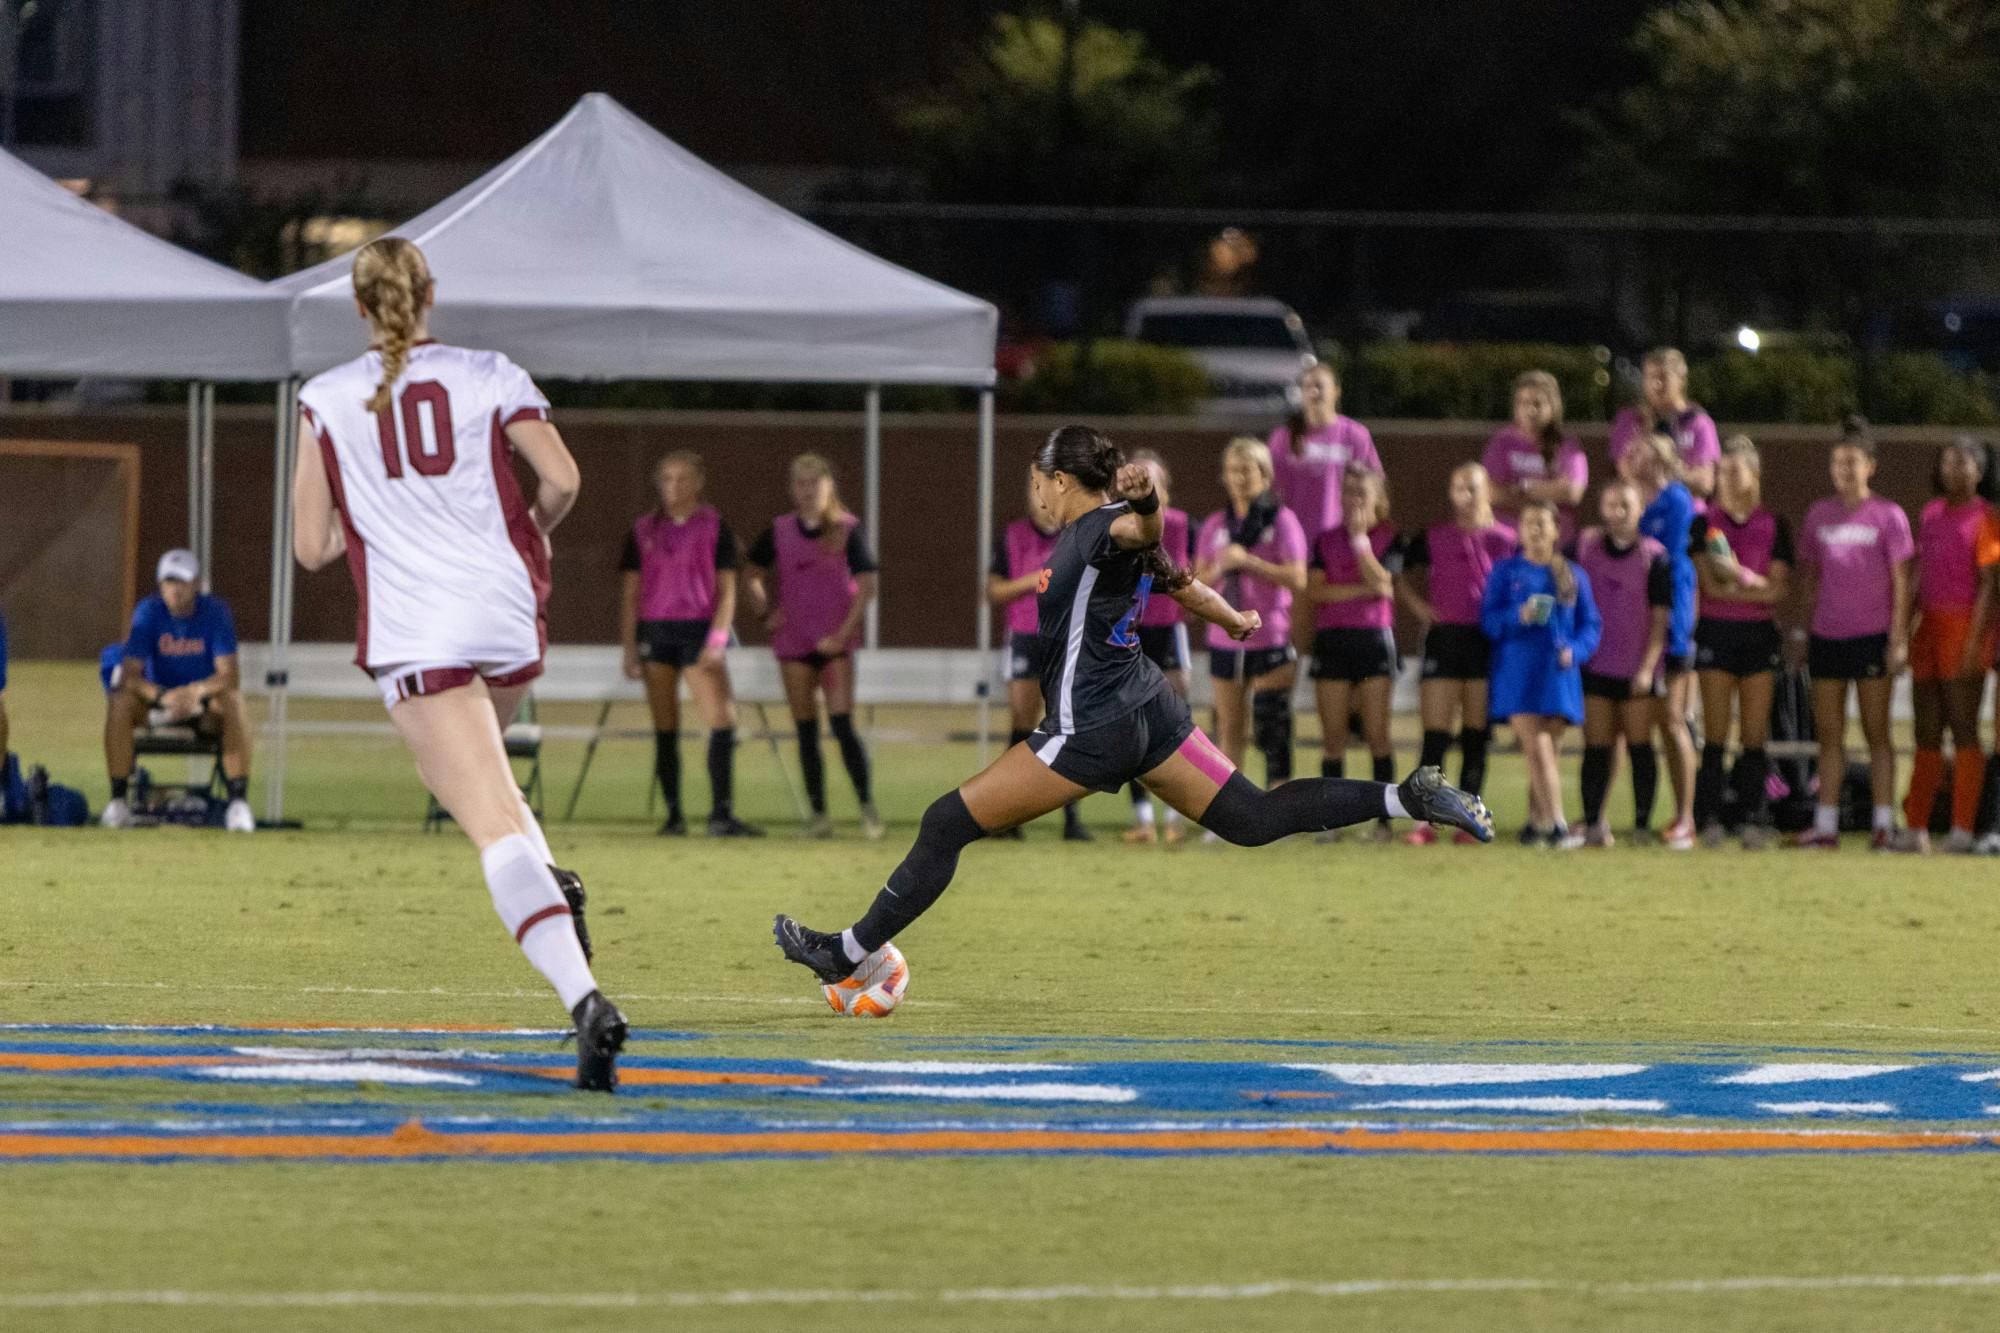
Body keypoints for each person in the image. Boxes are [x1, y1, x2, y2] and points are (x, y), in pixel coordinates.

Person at [773, 426, 1491, 991]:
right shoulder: (1100, 531)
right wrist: (1231, 617)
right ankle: (1408, 795)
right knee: (1252, 818)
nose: (1037, 494)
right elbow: (1176, 579)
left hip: (1093, 724)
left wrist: (1148, 502)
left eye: (1038, 481)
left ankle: (847, 952)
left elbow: (1143, 533)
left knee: (944, 822)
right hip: (1149, 706)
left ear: (1059, 480)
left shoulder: (1102, 526)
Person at [289, 236, 625, 1091]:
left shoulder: (326, 397)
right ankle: (553, 884)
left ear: (360, 308)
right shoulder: (489, 371)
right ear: (429, 293)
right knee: (494, 786)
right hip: (506, 608)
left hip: (417, 623)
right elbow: (562, 479)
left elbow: (311, 548)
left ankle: (584, 997)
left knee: (483, 819)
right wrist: (522, 535)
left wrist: (377, 520)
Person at [618, 450, 760, 838]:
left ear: (698, 482)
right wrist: (629, 647)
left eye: (681, 478)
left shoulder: (716, 527)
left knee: (721, 719)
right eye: (665, 478)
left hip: (698, 631)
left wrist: (717, 640)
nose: (672, 486)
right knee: (665, 724)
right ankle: (674, 816)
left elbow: (727, 592)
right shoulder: (644, 529)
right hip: (656, 632)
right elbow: (630, 593)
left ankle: (721, 814)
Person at [742, 454, 883, 839]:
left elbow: (867, 585)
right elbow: (752, 573)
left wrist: (843, 633)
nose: (806, 493)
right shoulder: (780, 530)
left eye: (813, 484)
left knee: (842, 725)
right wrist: (765, 612)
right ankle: (819, 815)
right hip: (794, 641)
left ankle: (867, 807)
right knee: (806, 730)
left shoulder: (847, 530)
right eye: (800, 485)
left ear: (828, 487)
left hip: (835, 643)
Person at [1794, 430, 1914, 849]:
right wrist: (1801, 631)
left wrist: (1898, 639)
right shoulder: (1818, 515)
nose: (1844, 470)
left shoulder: (1888, 515)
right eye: (1837, 463)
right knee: (1829, 735)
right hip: (1827, 637)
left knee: (1877, 732)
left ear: (1870, 466)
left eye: (1852, 462)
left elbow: (1902, 582)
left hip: (1872, 637)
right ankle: (1826, 826)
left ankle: (1884, 824)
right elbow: (1809, 578)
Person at [1399, 462, 1515, 845]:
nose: (1464, 497)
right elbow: (1395, 571)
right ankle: (1424, 819)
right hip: (1444, 638)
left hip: (1485, 639)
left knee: (1475, 733)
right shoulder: (1433, 536)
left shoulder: (1506, 539)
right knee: (1435, 734)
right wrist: (1418, 608)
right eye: (1457, 488)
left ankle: (1469, 817)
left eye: (1472, 488)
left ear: (1489, 492)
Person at [100, 549, 255, 834]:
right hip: (159, 705)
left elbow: (229, 676)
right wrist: (162, 697)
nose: (176, 590)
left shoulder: (215, 613)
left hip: (203, 706)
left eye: (182, 582)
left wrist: (195, 693)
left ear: (196, 584)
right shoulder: (148, 613)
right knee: (120, 702)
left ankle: (237, 802)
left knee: (234, 701)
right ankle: (118, 800)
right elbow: (131, 675)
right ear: (160, 586)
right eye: (169, 582)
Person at [1691, 436, 1792, 849]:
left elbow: (1778, 591)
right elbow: (1711, 588)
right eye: (1722, 471)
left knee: (1754, 735)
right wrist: (1755, 587)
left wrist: (1742, 577)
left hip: (1758, 637)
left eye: (1735, 471)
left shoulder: (1774, 524)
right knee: (1715, 733)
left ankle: (1754, 819)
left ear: (1754, 474)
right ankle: (1708, 819)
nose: (1726, 479)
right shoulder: (1704, 523)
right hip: (1717, 632)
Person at [1269, 362, 1382, 726]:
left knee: (1341, 635)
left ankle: (1350, 721)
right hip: (1298, 555)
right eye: (1308, 386)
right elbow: (1268, 495)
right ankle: (1280, 713)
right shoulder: (1285, 438)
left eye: (1321, 386)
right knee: (1294, 639)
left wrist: (1364, 535)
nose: (1314, 392)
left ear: (1336, 392)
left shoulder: (1353, 435)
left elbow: (1374, 491)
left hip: (1341, 552)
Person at [1484, 500, 1602, 846]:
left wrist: (1575, 650)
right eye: (1529, 523)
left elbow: (1591, 625)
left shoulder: (1572, 574)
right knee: (1538, 745)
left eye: (1542, 524)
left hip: (1557, 673)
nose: (1535, 530)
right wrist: (1517, 616)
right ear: (1519, 531)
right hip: (1518, 673)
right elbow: (1489, 621)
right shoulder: (1506, 572)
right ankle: (1558, 825)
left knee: (1548, 749)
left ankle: (1535, 823)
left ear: (1556, 530)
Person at [1196, 437, 1309, 795]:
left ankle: (1281, 805)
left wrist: (1250, 562)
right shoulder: (1216, 524)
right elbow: (1197, 581)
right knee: (1229, 728)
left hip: (1269, 633)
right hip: (1224, 638)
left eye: (1247, 470)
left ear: (1265, 475)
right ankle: (1231, 807)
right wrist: (1219, 566)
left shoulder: (1283, 520)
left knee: (1272, 725)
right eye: (1232, 470)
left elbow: (1297, 577)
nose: (1239, 478)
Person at [1899, 438, 1993, 853]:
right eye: (1948, 463)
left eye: (1963, 463)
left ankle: (1961, 828)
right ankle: (1916, 826)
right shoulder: (1931, 513)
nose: (1953, 470)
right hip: (1929, 629)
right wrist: (1906, 627)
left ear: (1980, 471)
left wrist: (1975, 642)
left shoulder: (1986, 517)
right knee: (1926, 729)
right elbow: (1920, 574)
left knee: (1964, 727)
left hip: (1964, 626)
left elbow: (1989, 584)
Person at [988, 468, 1091, 842]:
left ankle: (1071, 818)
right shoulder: (1012, 536)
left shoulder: (1076, 535)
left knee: (1064, 727)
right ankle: (1006, 815)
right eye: (1034, 490)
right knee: (1022, 727)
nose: (1040, 497)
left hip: (1065, 640)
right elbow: (993, 591)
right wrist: (1033, 580)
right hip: (1026, 637)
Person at [1305, 466, 1404, 842]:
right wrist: (1361, 589)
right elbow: (1316, 592)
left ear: (1378, 497)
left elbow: (1384, 585)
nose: (1353, 500)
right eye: (1347, 492)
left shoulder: (1390, 537)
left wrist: (1361, 542)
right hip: (1332, 642)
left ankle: (1384, 821)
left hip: (1374, 641)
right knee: (1333, 738)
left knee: (1378, 735)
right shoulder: (1326, 540)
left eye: (1361, 493)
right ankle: (1331, 821)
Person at [1572, 481, 1672, 849]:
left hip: (1635, 669)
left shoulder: (1655, 556)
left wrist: (1647, 668)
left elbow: (1661, 620)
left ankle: (1642, 826)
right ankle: (1595, 824)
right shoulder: (1585, 549)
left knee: (1640, 746)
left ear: (1640, 509)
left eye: (1626, 505)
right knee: (1596, 748)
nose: (1618, 511)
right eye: (1611, 504)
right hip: (1596, 666)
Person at [1624, 429, 1701, 848]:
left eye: (1650, 453)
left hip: (1671, 617)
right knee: (1654, 722)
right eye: (1637, 450)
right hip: (1640, 622)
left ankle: (1686, 819)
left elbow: (1663, 557)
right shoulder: (1634, 500)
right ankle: (1668, 816)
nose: (1639, 457)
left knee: (1674, 721)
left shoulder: (1674, 499)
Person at [1121, 448, 1192, 844]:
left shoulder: (1181, 525)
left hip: (1167, 630)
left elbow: (1194, 574)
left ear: (1164, 488)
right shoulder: (1118, 527)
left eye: (1152, 481)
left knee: (1174, 721)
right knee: (1132, 723)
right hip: (1129, 631)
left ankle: (1174, 818)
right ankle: (1143, 818)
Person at [1482, 370, 1588, 540]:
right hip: (1509, 537)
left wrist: (1521, 487)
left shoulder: (1567, 443)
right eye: (1523, 403)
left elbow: (1572, 493)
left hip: (1555, 538)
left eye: (1537, 404)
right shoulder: (1502, 441)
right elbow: (1491, 493)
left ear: (1553, 406)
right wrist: (1551, 490)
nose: (1530, 410)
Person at [1608, 348, 1721, 499]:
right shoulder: (1630, 419)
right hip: (1642, 512)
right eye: (1650, 377)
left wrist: (1663, 475)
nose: (1656, 384)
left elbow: (1705, 482)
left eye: (1663, 377)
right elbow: (1626, 472)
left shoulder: (1698, 422)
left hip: (1686, 512)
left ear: (1681, 379)